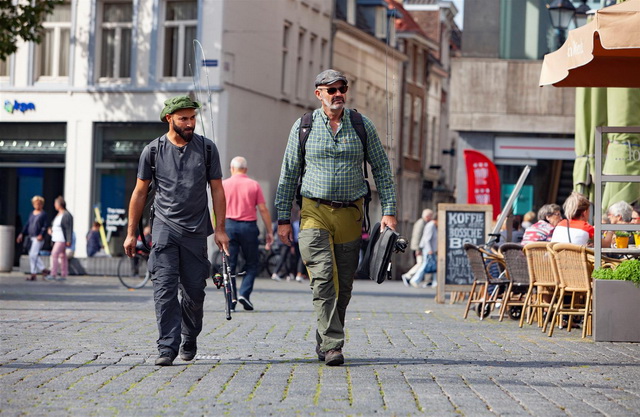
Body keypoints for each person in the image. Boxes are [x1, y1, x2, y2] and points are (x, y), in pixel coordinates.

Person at [275, 69, 397, 366]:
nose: (337, 94)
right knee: (323, 278)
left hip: (350, 214)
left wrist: (389, 211)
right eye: (331, 90)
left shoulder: (361, 125)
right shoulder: (303, 126)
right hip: (313, 212)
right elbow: (289, 171)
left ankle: (325, 338)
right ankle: (333, 344)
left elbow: (381, 168)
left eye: (341, 88)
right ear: (319, 94)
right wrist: (281, 218)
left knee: (343, 285)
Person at [123, 95, 229, 367]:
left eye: (193, 117)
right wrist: (131, 233)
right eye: (184, 118)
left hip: (195, 231)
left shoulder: (206, 149)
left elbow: (217, 189)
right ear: (169, 118)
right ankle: (167, 347)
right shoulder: (153, 151)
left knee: (195, 292)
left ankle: (189, 335)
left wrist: (220, 229)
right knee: (165, 290)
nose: (190, 123)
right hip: (163, 230)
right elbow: (139, 192)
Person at [222, 156, 274, 310]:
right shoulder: (254, 185)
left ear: (231, 168)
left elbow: (216, 209)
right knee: (252, 263)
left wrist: (217, 229)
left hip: (229, 226)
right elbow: (263, 209)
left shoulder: (224, 185)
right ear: (246, 169)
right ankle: (244, 293)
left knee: (229, 265)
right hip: (248, 227)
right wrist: (270, 231)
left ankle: (231, 299)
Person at [16, 195, 49, 281]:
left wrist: (41, 234)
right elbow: (28, 224)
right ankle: (35, 272)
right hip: (31, 237)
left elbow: (45, 226)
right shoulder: (32, 213)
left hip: (38, 237)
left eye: (39, 204)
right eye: (35, 203)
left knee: (33, 255)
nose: (37, 205)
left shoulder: (43, 214)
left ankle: (41, 270)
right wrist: (22, 233)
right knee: (32, 255)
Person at [45, 196, 73, 282]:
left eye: (55, 204)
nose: (54, 205)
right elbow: (54, 225)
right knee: (62, 256)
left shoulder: (66, 215)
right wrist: (51, 229)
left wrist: (68, 239)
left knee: (54, 254)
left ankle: (53, 273)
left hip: (61, 238)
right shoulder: (58, 214)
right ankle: (64, 274)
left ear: (59, 204)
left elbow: (68, 228)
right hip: (56, 237)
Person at [408, 212, 437, 288]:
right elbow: (423, 238)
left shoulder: (431, 225)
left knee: (430, 265)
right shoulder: (428, 225)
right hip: (427, 249)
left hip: (429, 249)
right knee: (424, 264)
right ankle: (414, 279)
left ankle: (435, 282)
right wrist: (419, 249)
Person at [401, 209, 429, 286]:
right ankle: (408, 276)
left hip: (418, 247)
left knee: (421, 263)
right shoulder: (421, 223)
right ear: (427, 216)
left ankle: (411, 277)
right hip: (418, 247)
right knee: (421, 263)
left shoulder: (423, 222)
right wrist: (418, 249)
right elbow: (417, 236)